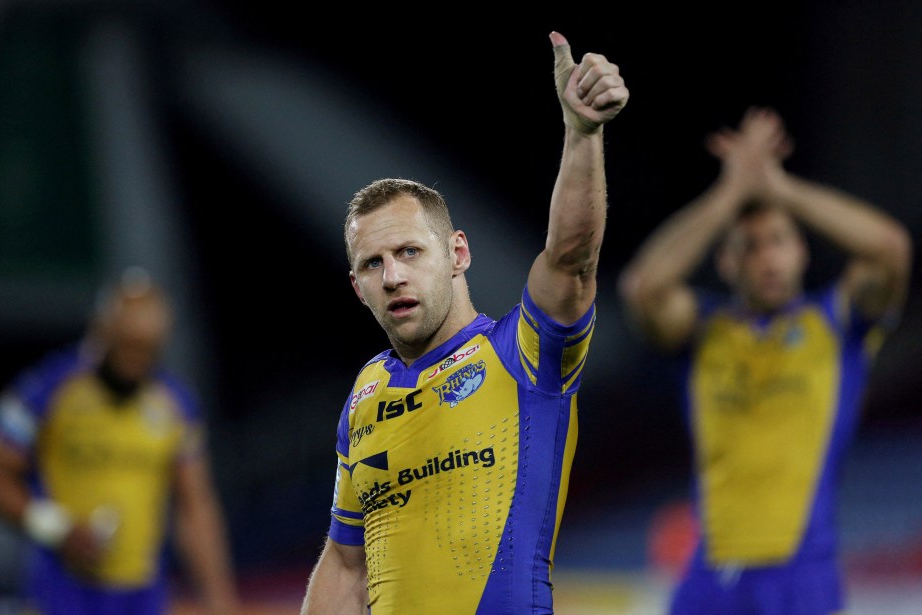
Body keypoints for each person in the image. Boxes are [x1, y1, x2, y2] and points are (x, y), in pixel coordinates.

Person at [298, 31, 628, 614]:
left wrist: (583, 133)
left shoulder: (524, 352)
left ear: (457, 253)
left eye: (409, 252)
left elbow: (572, 257)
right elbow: (347, 568)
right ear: (357, 288)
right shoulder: (365, 395)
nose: (392, 276)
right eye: (372, 264)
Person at [618, 106, 913, 614]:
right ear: (727, 262)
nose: (767, 258)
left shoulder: (836, 323)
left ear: (800, 250)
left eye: (778, 241)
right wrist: (732, 191)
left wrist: (779, 189)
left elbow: (890, 249)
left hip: (802, 575)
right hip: (709, 575)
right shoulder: (705, 330)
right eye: (750, 247)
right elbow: (643, 288)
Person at [0, 266, 241, 615]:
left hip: (140, 599)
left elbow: (195, 506)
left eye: (147, 351)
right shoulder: (45, 390)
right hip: (58, 593)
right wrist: (57, 528)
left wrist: (220, 599)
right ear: (102, 331)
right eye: (127, 348)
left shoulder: (176, 406)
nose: (135, 363)